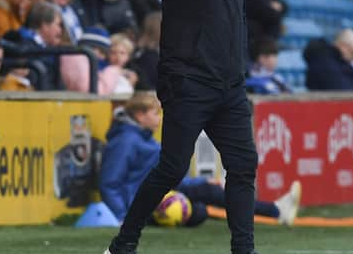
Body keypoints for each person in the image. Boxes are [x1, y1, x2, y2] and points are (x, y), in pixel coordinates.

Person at [102, 0, 288, 254]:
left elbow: (234, 8)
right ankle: (123, 246)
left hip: (229, 85)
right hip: (188, 81)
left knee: (243, 166)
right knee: (171, 168)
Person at [100, 93, 301, 226]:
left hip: (163, 193)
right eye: (155, 113)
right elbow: (110, 182)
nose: (160, 118)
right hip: (145, 203)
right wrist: (122, 217)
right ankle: (275, 211)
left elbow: (164, 176)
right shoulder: (126, 141)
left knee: (208, 191)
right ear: (139, 115)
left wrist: (199, 181)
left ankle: (274, 210)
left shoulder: (142, 138)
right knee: (199, 212)